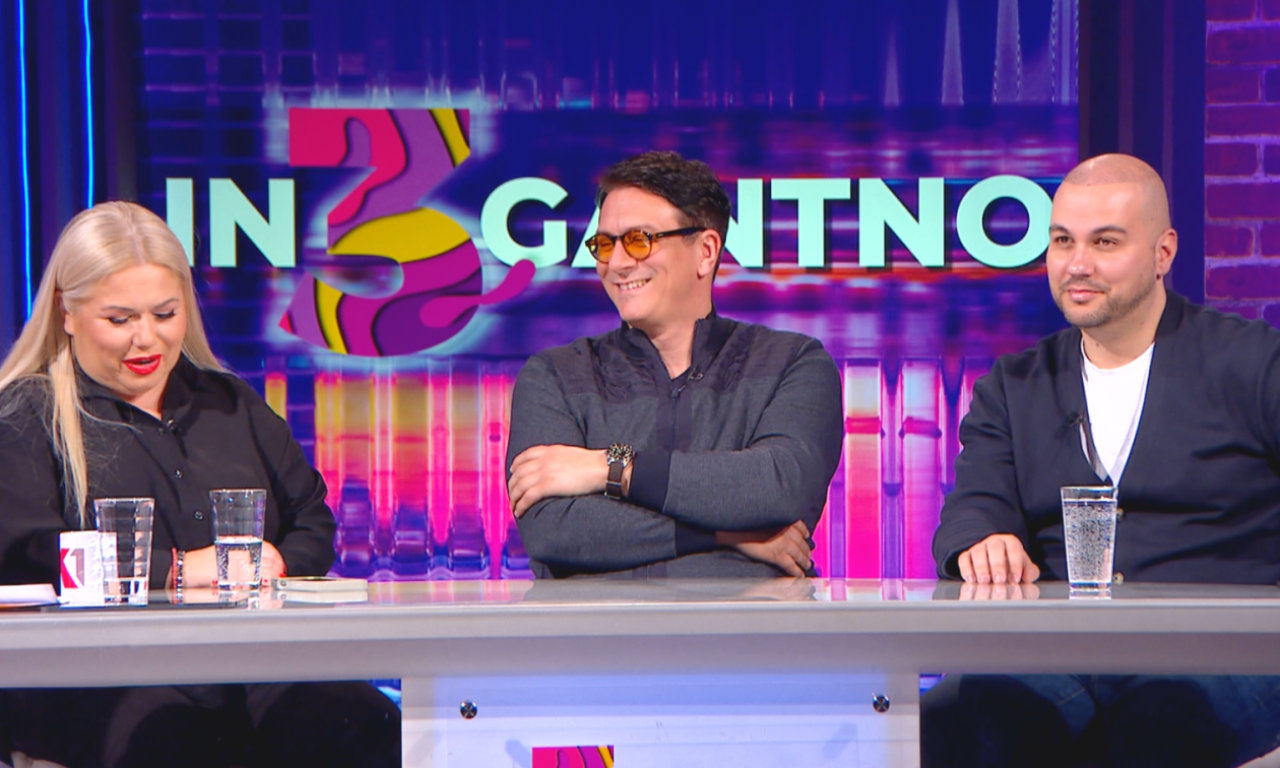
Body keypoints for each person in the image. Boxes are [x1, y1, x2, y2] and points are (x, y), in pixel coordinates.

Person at [0, 201, 398, 768]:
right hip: (96, 677)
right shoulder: (26, 414)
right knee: (183, 740)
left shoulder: (230, 402)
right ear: (67, 311)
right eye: (120, 320)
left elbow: (311, 519)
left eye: (165, 313)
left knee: (365, 722)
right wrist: (178, 572)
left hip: (248, 667)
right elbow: (27, 551)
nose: (146, 339)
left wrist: (277, 562)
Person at [924, 154, 1280, 767]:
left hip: (1221, 650)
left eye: (1105, 242)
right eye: (1063, 241)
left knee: (1156, 726)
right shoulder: (1016, 384)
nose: (1077, 264)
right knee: (962, 718)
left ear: (1163, 253)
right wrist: (981, 539)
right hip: (1062, 654)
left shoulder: (1250, 362)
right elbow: (970, 508)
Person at [505, 150, 843, 578]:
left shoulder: (792, 363)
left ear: (706, 251)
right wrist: (728, 536)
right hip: (599, 623)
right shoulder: (555, 376)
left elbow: (776, 489)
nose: (617, 263)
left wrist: (608, 466)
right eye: (605, 244)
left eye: (639, 240)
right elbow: (555, 531)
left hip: (747, 622)